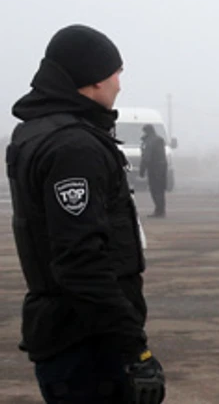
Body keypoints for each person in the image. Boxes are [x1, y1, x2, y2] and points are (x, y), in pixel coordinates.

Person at [7, 25, 165, 403]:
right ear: (93, 79)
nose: (119, 84)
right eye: (116, 73)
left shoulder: (36, 132)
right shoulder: (74, 147)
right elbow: (80, 259)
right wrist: (134, 348)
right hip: (87, 342)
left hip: (69, 331)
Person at [139, 124, 168, 218]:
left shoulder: (150, 141)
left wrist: (142, 170)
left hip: (154, 168)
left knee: (155, 189)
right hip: (162, 167)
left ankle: (158, 211)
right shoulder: (159, 140)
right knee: (160, 190)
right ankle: (161, 210)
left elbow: (146, 157)